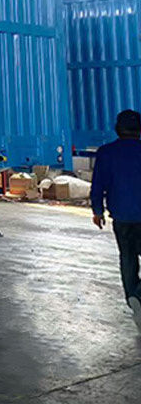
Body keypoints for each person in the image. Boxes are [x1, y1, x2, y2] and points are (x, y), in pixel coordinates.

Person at [91, 109, 141, 330]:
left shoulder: (106, 153)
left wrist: (97, 211)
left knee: (128, 258)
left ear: (117, 129)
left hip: (120, 216)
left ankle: (132, 296)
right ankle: (139, 294)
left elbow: (98, 185)